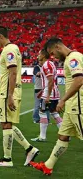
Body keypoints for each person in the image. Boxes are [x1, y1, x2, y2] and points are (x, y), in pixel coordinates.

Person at [30, 38, 83, 175]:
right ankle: (48, 165)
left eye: (53, 52)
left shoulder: (73, 58)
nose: (53, 56)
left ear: (58, 47)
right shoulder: (73, 58)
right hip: (72, 107)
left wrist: (62, 100)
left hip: (78, 106)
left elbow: (78, 81)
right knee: (63, 136)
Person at [0, 26, 39, 167]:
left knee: (6, 124)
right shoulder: (14, 48)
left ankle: (7, 159)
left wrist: (9, 95)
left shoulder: (9, 50)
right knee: (6, 123)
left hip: (9, 93)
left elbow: (13, 73)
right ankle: (30, 149)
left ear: (0, 36)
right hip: (8, 91)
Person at [31, 49, 62, 142]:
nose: (38, 56)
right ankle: (64, 133)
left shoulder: (46, 65)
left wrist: (47, 95)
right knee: (54, 113)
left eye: (39, 54)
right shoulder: (51, 63)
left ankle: (42, 136)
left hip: (50, 93)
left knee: (42, 112)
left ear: (44, 55)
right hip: (52, 92)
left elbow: (51, 80)